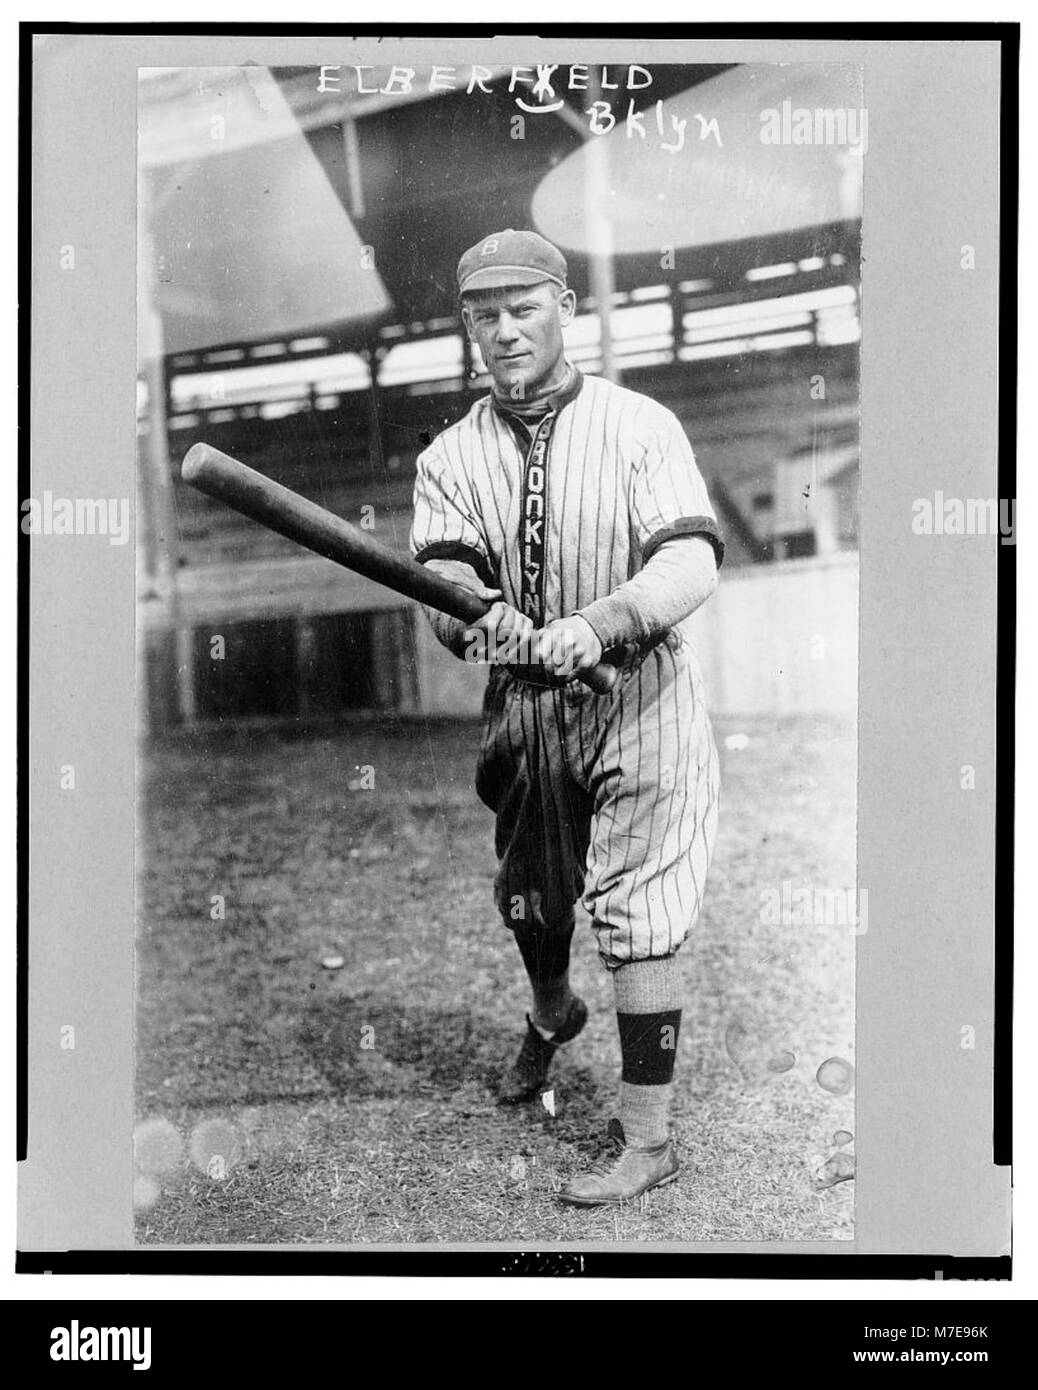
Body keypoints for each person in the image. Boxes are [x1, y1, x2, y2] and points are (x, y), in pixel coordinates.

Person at [410, 229, 724, 1205]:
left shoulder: (640, 426)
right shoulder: (450, 455)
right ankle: (552, 1010)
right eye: (483, 317)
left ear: (566, 310)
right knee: (533, 896)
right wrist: (475, 610)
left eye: (523, 310)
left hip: (638, 690)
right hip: (529, 706)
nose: (504, 334)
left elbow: (691, 561)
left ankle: (650, 1137)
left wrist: (602, 620)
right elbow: (440, 578)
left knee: (640, 909)